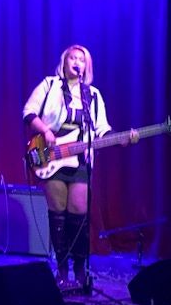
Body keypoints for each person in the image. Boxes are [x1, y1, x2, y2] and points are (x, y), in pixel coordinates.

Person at [23, 44, 127, 291]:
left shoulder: (93, 95)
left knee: (79, 212)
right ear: (64, 61)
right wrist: (45, 130)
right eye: (72, 57)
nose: (76, 62)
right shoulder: (49, 85)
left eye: (81, 59)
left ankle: (80, 269)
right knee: (58, 212)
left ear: (86, 66)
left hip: (79, 158)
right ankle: (61, 270)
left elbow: (102, 128)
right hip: (52, 156)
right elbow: (28, 112)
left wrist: (119, 137)